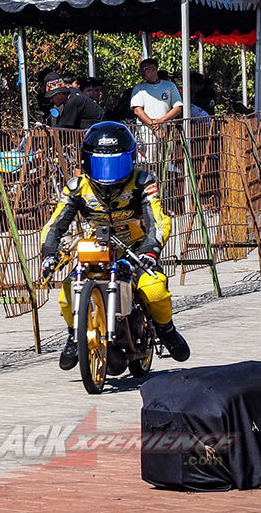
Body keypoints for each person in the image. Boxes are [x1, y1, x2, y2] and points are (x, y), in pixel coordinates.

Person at [39, 122, 190, 369]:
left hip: (137, 249)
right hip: (96, 248)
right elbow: (55, 224)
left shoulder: (143, 183)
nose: (108, 174)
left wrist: (151, 251)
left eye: (116, 165)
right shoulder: (76, 188)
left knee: (155, 290)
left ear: (131, 161)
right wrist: (48, 254)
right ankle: (74, 334)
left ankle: (166, 329)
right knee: (67, 294)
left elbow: (158, 220)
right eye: (101, 165)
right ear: (87, 163)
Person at [130, 58, 183, 162]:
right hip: (146, 130)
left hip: (166, 128)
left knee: (166, 158)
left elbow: (177, 107)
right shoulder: (139, 88)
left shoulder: (169, 86)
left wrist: (161, 120)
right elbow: (137, 110)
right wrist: (154, 126)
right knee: (149, 158)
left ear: (154, 69)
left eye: (144, 69)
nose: (142, 73)